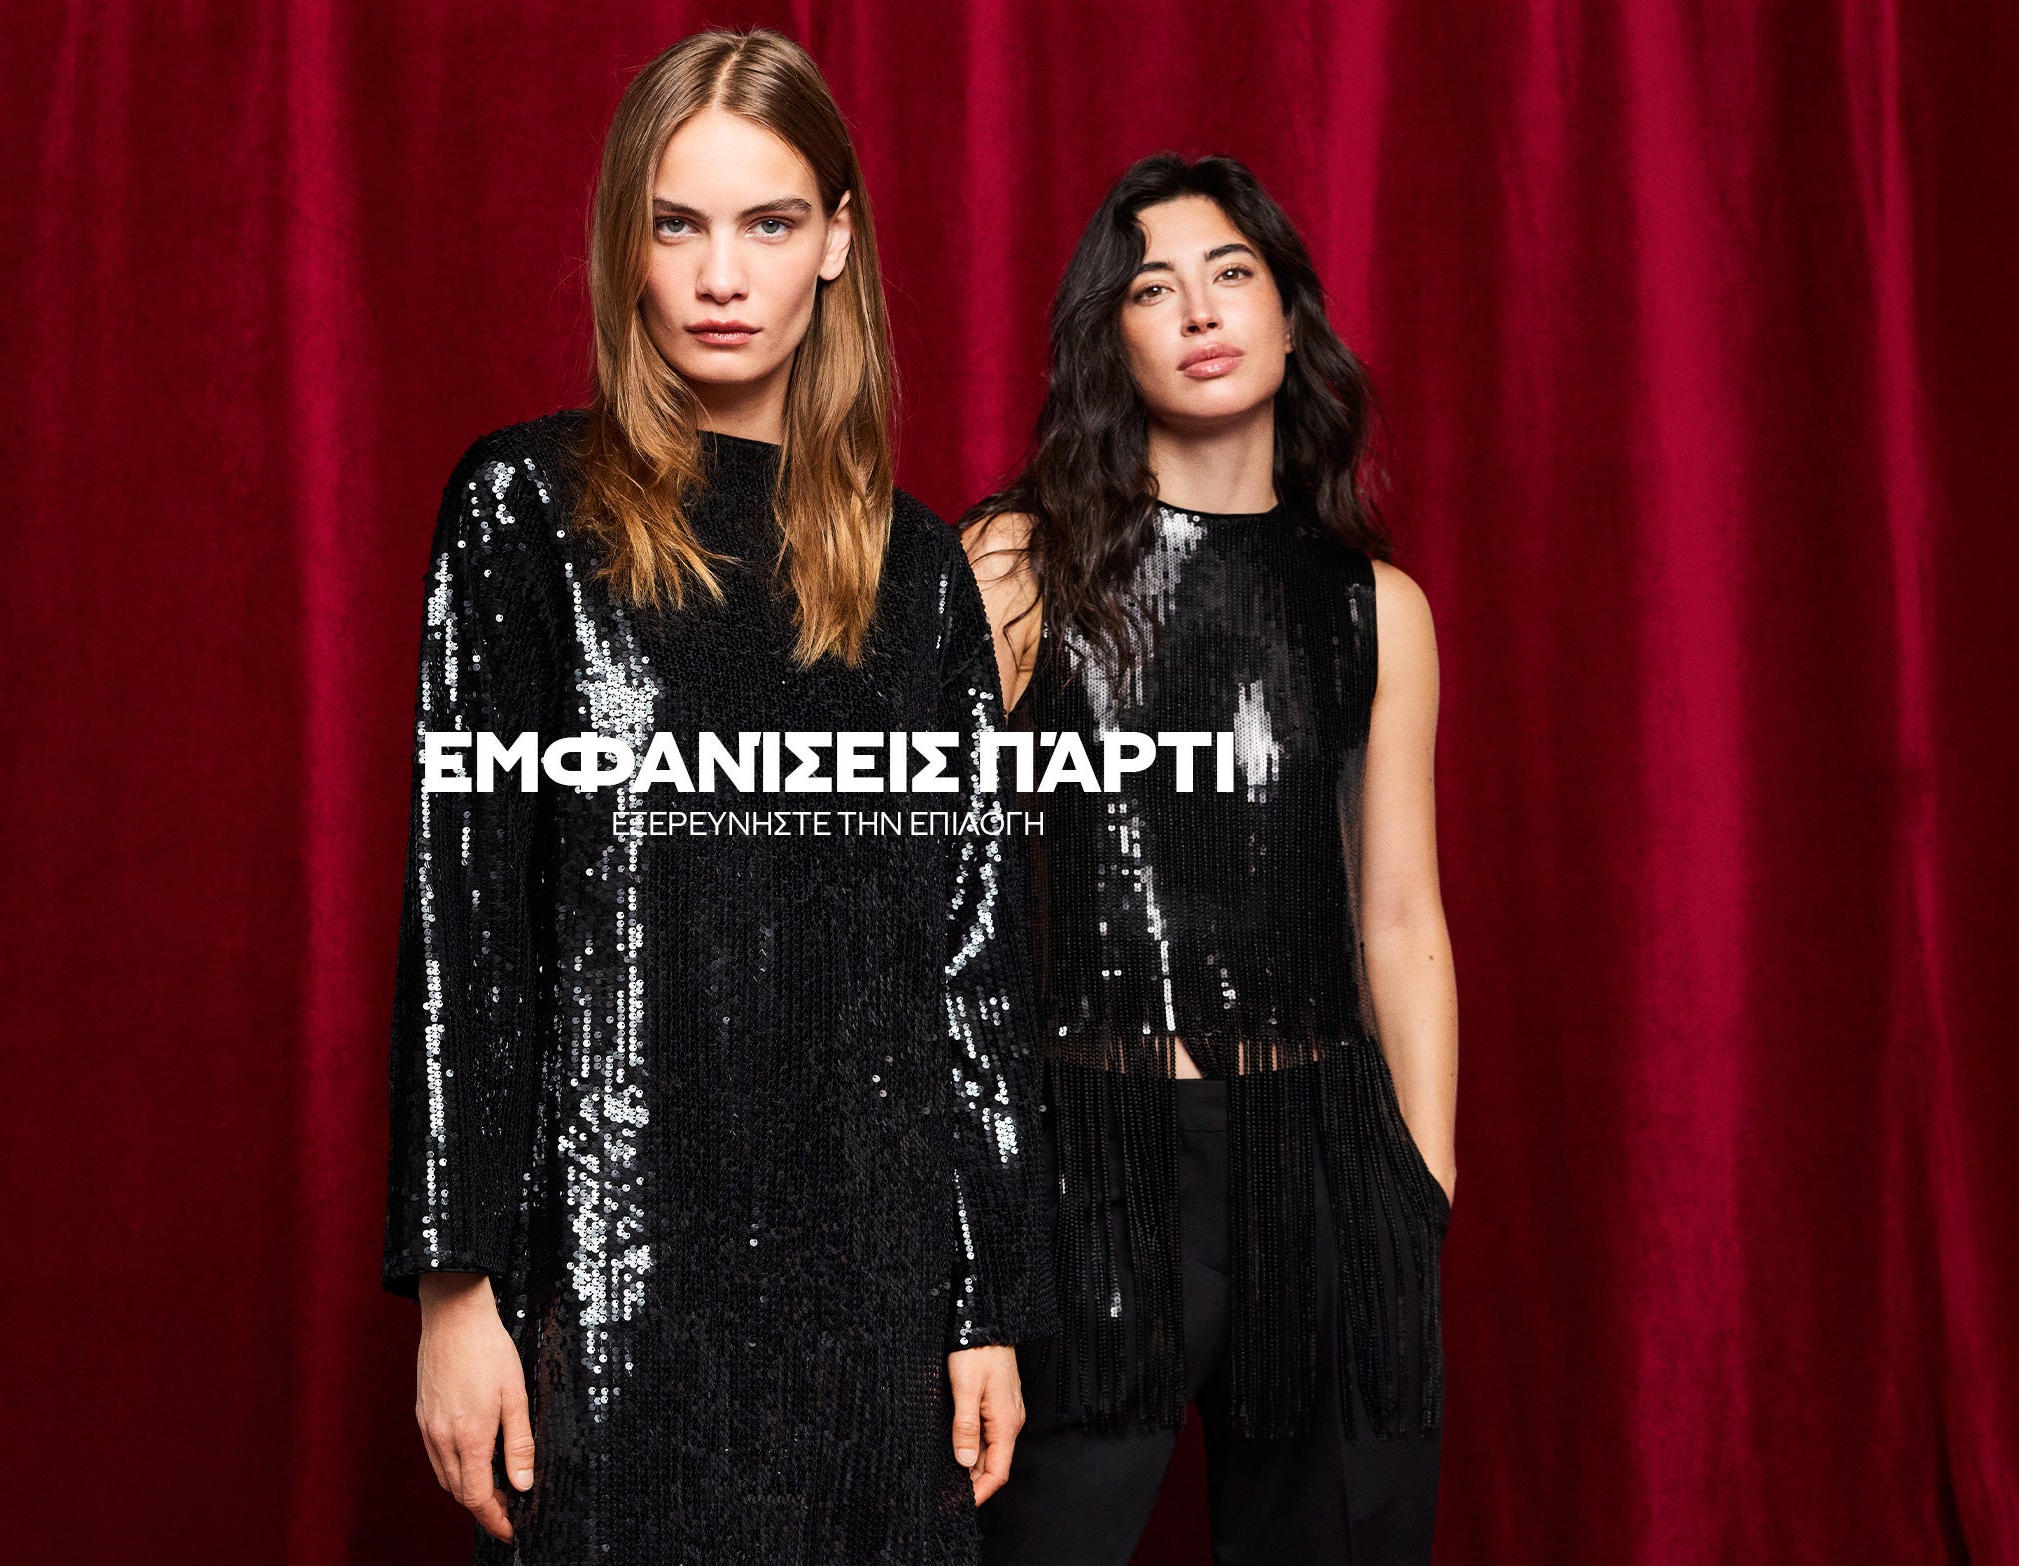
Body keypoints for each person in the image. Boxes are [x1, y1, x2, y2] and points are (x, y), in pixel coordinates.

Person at [382, 28, 1054, 1565]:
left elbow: (966, 959)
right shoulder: (522, 511)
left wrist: (986, 1297)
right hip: (607, 1282)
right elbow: (464, 922)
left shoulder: (920, 571)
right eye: (677, 224)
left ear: (836, 243)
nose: (721, 274)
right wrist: (452, 1286)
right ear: (626, 246)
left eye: (768, 222)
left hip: (876, 1295)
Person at [961, 153, 1458, 1565]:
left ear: (1290, 319)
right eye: (1151, 288)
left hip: (1329, 1156)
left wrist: (1418, 1187)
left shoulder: (1377, 609)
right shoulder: (1014, 568)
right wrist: (971, 1216)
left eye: (1231, 273)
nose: (1198, 310)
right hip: (1089, 1156)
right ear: (1108, 338)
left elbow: (1402, 917)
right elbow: (939, 911)